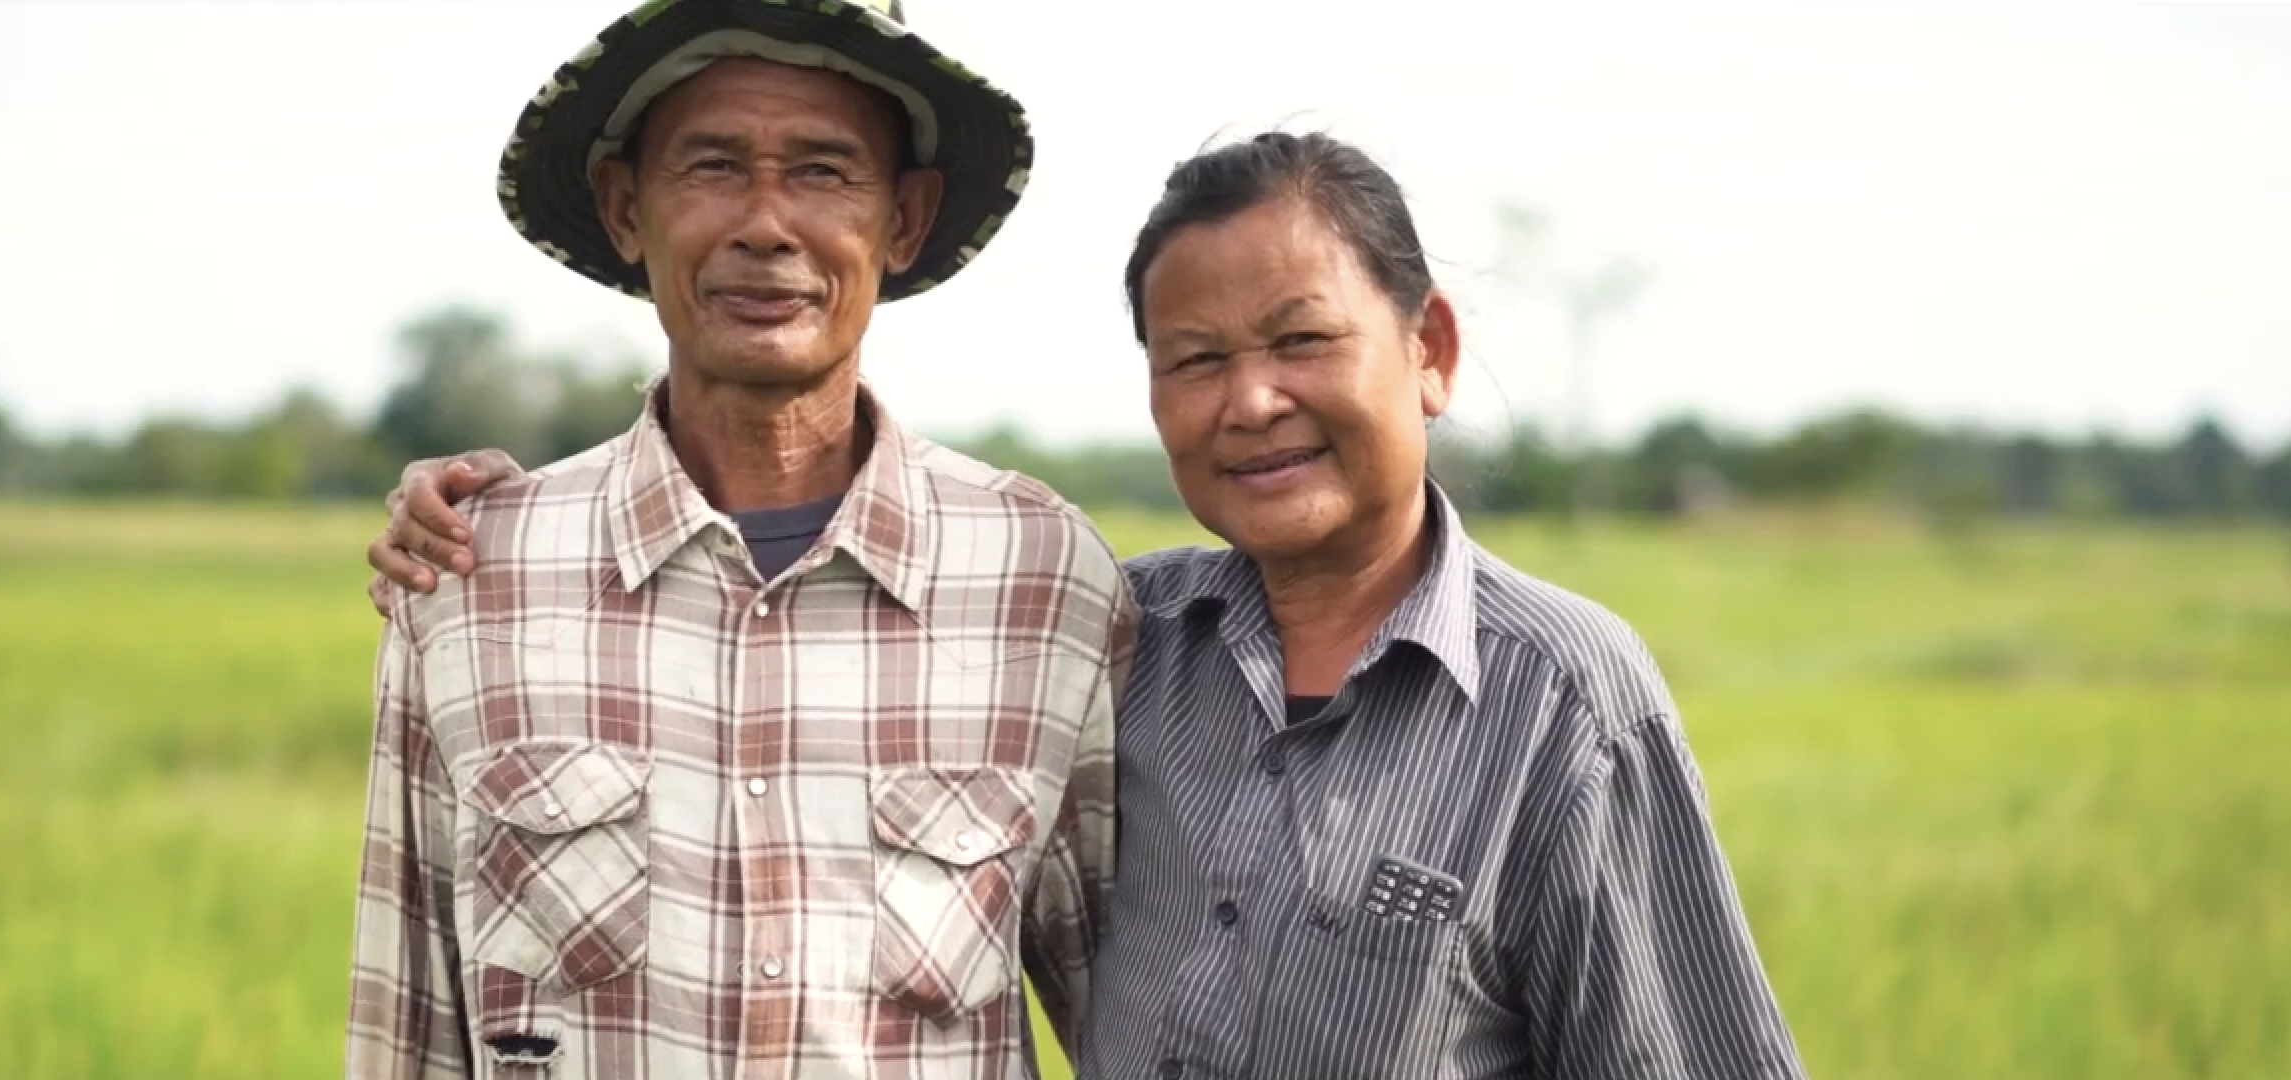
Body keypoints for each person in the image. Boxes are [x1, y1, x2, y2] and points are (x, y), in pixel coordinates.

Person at [371, 133, 1807, 1077]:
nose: (1251, 401)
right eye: (1193, 360)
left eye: (1303, 342)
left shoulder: (1561, 697)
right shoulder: (1111, 631)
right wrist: (486, 524)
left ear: (1426, 347)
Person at [342, 3, 1133, 1078]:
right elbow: (406, 1037)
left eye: (822, 172)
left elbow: (1135, 1030)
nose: (766, 225)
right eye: (713, 167)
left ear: (904, 218)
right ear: (627, 208)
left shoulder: (1042, 579)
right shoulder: (472, 578)